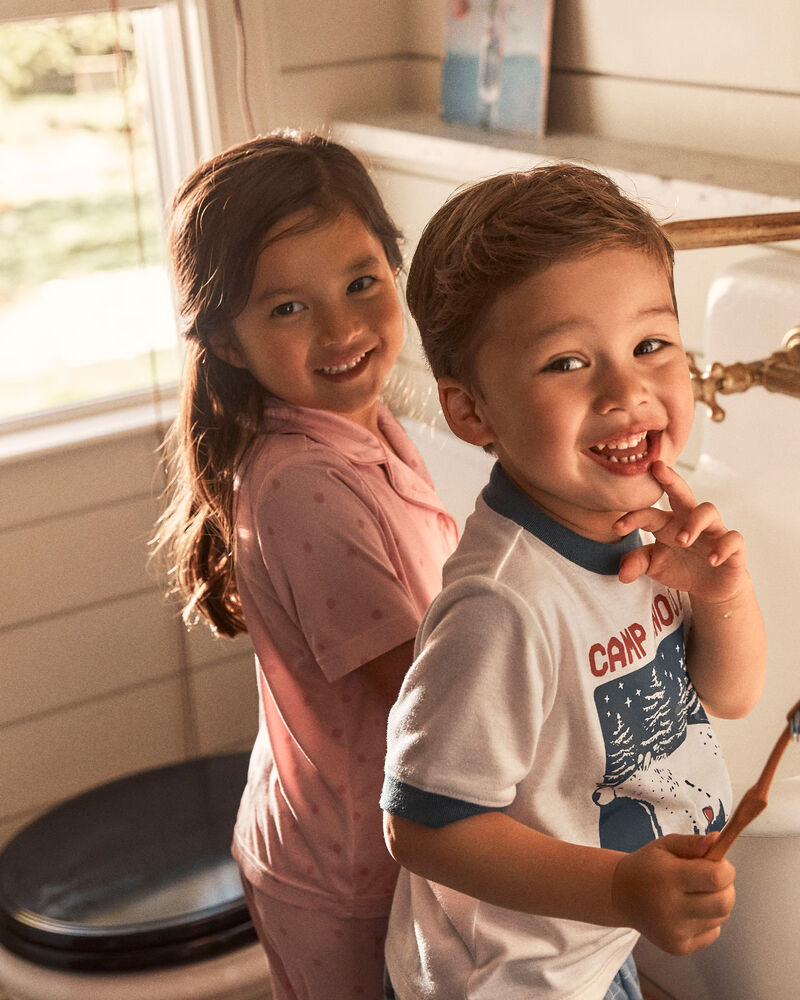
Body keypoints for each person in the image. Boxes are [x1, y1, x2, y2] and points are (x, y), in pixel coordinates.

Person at [380, 163, 767, 1000]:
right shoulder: (503, 605)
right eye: (565, 362)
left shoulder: (642, 529)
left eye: (650, 345)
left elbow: (730, 697)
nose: (626, 390)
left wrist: (722, 596)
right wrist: (619, 889)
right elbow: (421, 826)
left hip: (587, 942)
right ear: (472, 412)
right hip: (509, 981)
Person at [154, 131, 458, 1000]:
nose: (341, 328)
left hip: (336, 838)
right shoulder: (304, 485)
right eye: (288, 307)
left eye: (362, 283)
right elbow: (422, 692)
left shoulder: (363, 428)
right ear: (227, 340)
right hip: (351, 874)